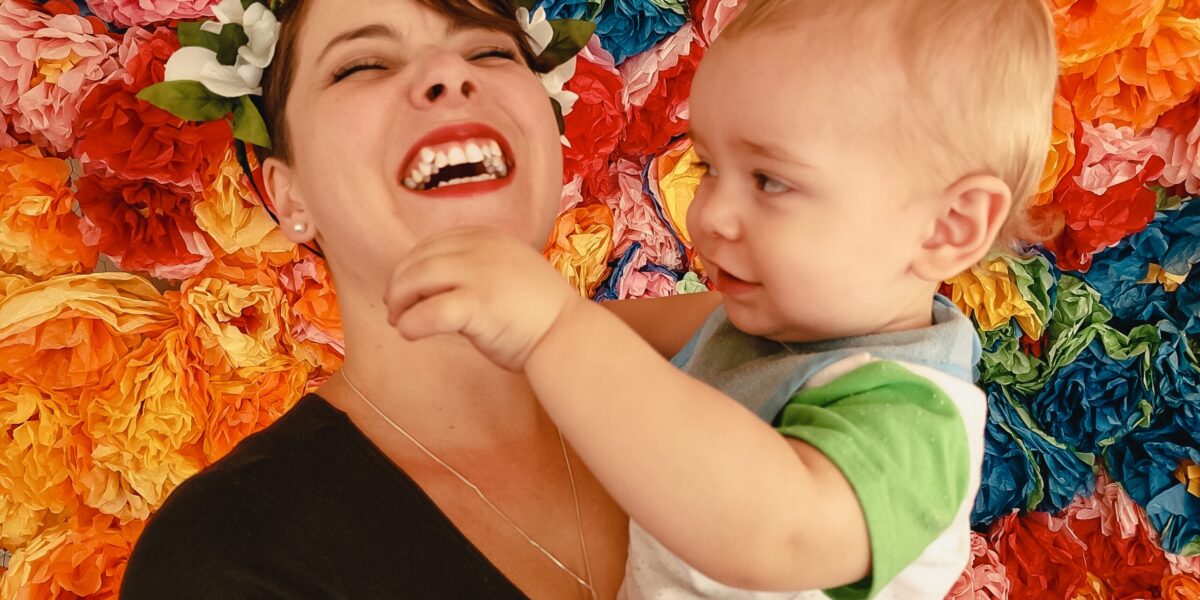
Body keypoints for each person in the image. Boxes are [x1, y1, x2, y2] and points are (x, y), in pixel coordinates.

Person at [381, 0, 1058, 597]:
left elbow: (767, 532)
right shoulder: (761, 324)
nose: (706, 216)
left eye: (769, 181)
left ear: (948, 227)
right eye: (707, 165)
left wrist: (550, 331)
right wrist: (500, 326)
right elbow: (611, 336)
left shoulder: (915, 423)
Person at [119, 0, 719, 598]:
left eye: (489, 51)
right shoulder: (225, 555)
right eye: (363, 65)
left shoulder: (738, 360)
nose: (449, 74)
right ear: (289, 195)